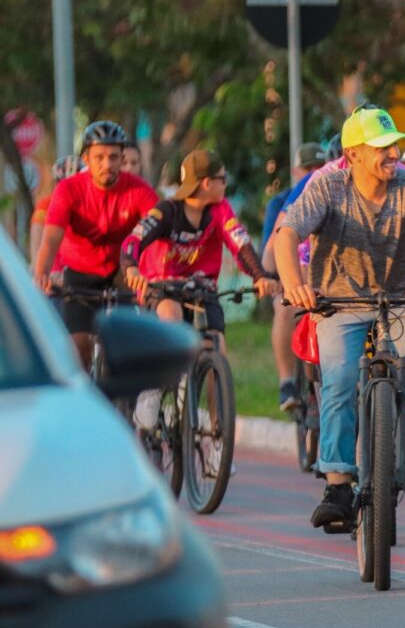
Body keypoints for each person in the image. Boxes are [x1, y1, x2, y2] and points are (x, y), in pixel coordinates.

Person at [271, 106, 405, 531]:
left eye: (395, 146)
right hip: (339, 301)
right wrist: (295, 284)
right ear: (353, 154)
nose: (393, 154)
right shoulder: (327, 185)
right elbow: (287, 234)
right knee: (341, 379)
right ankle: (338, 484)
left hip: (404, 296)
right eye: (382, 148)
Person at [33, 121, 159, 366]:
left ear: (122, 158)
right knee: (78, 346)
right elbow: (51, 238)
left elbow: (159, 229)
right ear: (86, 159)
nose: (107, 164)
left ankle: (131, 397)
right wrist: (42, 273)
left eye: (114, 157)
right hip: (79, 272)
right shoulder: (69, 190)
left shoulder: (139, 189)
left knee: (129, 341)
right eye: (99, 157)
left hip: (123, 270)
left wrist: (155, 273)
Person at [122, 149, 282, 336]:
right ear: (207, 183)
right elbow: (134, 239)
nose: (225, 183)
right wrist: (131, 267)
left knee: (216, 341)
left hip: (202, 289)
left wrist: (259, 275)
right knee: (171, 316)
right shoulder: (167, 210)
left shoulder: (221, 209)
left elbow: (240, 244)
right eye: (223, 178)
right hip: (163, 289)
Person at [261, 141, 329, 413]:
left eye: (319, 166)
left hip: (323, 274)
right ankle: (287, 382)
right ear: (296, 171)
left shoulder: (331, 188)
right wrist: (271, 278)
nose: (315, 172)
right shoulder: (283, 202)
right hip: (288, 270)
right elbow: (273, 246)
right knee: (285, 308)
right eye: (308, 168)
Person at [30, 155, 84, 266]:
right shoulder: (46, 204)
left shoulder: (90, 203)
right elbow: (37, 236)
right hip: (53, 268)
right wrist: (39, 267)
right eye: (64, 186)